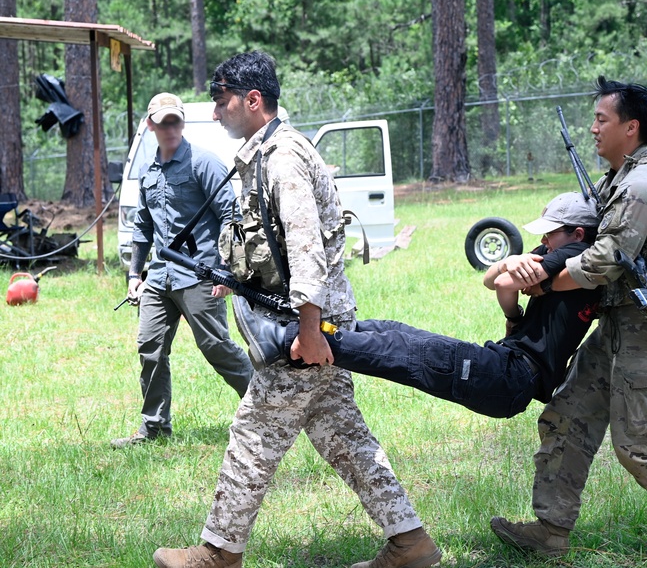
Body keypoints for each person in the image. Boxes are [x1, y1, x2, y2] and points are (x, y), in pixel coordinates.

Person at [153, 51, 439, 568]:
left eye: (222, 101)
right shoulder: (263, 154)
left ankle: (217, 554)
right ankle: (410, 543)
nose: (215, 112)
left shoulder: (283, 157)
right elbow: (274, 245)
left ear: (253, 100)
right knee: (345, 436)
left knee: (253, 434)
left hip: (308, 329)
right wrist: (237, 278)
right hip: (309, 324)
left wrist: (311, 332)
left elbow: (305, 249)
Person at [490, 77, 647, 557]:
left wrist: (540, 281)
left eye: (603, 119)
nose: (593, 128)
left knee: (638, 440)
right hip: (615, 325)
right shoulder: (617, 181)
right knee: (566, 416)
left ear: (631, 127)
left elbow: (604, 263)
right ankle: (550, 532)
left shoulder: (643, 185)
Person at [241, 191, 602, 420]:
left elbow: (505, 283)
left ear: (578, 234)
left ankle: (286, 340)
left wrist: (511, 270)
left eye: (550, 232)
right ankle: (314, 330)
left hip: (513, 377)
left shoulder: (577, 253)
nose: (543, 239)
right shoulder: (555, 252)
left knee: (406, 353)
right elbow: (492, 278)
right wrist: (514, 299)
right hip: (506, 368)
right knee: (391, 331)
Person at [111, 93, 253, 449]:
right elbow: (142, 229)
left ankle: (268, 409)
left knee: (216, 346)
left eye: (175, 121)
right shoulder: (149, 172)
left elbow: (230, 217)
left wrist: (225, 271)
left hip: (201, 274)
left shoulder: (203, 163)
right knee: (150, 348)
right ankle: (155, 428)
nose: (169, 128)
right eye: (163, 122)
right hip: (159, 277)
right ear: (151, 126)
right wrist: (134, 276)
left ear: (182, 123)